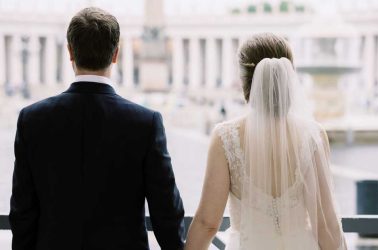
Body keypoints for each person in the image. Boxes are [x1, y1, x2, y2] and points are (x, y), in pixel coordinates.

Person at [9, 7, 185, 250]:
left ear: (70, 52)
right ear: (116, 54)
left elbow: (22, 213)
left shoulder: (32, 119)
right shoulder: (145, 123)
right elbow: (166, 214)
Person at [185, 33, 347, 250]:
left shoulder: (226, 138)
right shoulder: (313, 135)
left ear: (245, 80)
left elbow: (207, 223)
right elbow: (326, 225)